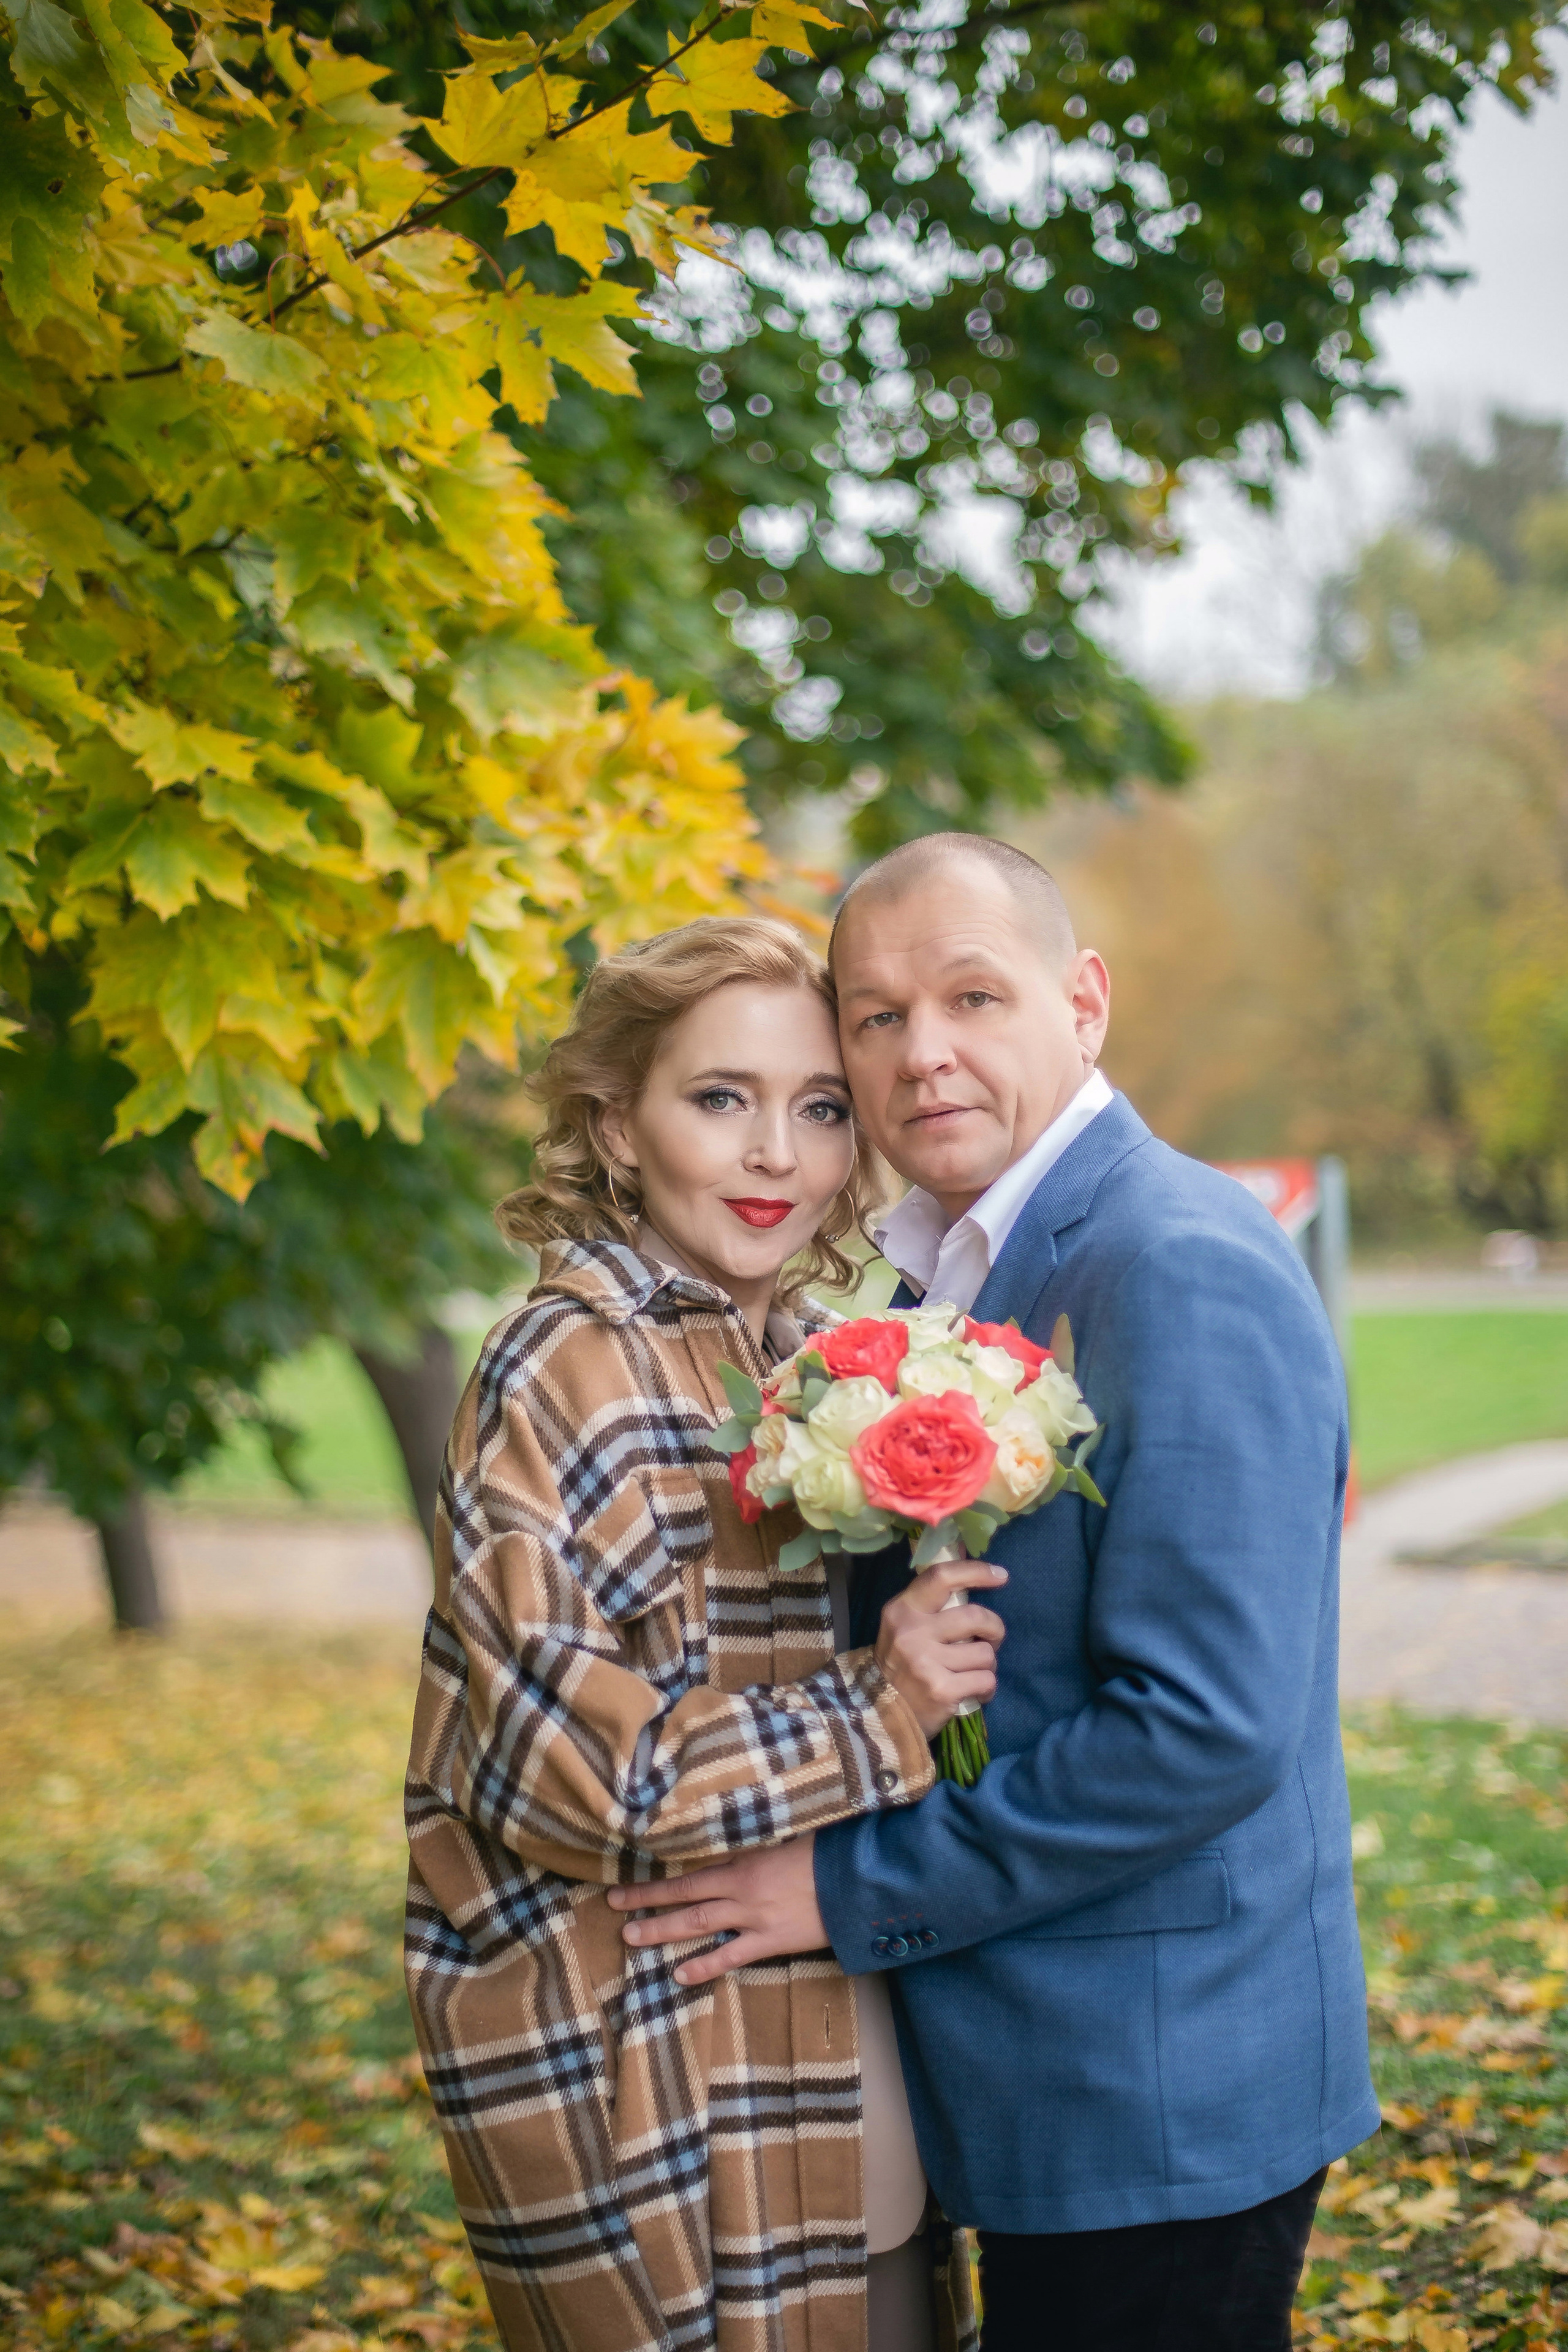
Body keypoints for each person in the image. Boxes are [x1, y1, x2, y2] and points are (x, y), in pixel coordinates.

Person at [612, 838, 1380, 2351]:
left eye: (973, 995)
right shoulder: (936, 1276)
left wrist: (839, 1893)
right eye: (876, 1016)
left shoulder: (1168, 1261)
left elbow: (1203, 1730)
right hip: (1029, 2074)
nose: (923, 1054)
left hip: (1154, 2090)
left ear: (1081, 1003)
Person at [402, 914, 1002, 2352]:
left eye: (815, 1109)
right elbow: (579, 1775)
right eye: (718, 1099)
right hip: (652, 2051)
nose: (774, 1157)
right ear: (616, 1126)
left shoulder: (808, 1356)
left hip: (828, 2023)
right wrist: (881, 1708)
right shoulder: (567, 1362)